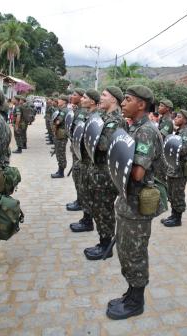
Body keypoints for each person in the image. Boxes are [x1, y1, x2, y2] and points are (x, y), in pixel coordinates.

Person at [106, 85, 164, 320]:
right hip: (127, 202)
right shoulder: (134, 127)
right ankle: (131, 292)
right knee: (126, 250)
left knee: (134, 253)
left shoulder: (146, 132)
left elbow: (138, 173)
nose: (122, 103)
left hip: (136, 206)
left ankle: (136, 302)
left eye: (127, 99)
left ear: (141, 104)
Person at [83, 86, 126, 260]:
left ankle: (106, 246)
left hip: (106, 174)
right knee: (99, 209)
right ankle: (103, 241)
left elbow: (102, 145)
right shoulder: (104, 118)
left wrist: (92, 134)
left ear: (114, 100)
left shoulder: (115, 121)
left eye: (104, 95)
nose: (100, 97)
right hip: (98, 171)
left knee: (104, 210)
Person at [69, 89, 100, 233]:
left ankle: (88, 221)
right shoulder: (89, 115)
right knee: (84, 189)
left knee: (88, 192)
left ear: (92, 101)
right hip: (84, 159)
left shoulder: (95, 117)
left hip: (89, 162)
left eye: (85, 97)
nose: (81, 99)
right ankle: (86, 219)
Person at [161, 110, 187, 227]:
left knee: (178, 194)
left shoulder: (186, 133)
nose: (175, 118)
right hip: (173, 168)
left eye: (179, 117)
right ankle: (173, 215)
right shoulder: (179, 132)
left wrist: (173, 147)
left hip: (180, 169)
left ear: (185, 120)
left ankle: (177, 218)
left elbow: (183, 150)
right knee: (171, 193)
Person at [66, 88, 87, 213]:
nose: (71, 96)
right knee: (76, 176)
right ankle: (79, 200)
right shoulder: (77, 110)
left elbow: (79, 132)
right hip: (75, 149)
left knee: (79, 177)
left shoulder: (83, 113)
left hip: (80, 151)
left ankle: (81, 201)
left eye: (74, 95)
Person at [51, 95, 69, 178]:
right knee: (59, 153)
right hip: (59, 134)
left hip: (61, 135)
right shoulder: (62, 110)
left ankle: (61, 172)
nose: (58, 100)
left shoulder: (63, 111)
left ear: (64, 102)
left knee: (60, 153)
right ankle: (60, 170)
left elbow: (58, 122)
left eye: (60, 99)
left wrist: (54, 123)